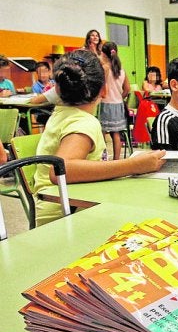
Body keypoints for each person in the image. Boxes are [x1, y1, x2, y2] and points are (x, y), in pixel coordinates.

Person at [34, 49, 166, 226]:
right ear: (104, 90)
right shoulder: (84, 123)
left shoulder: (60, 113)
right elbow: (60, 170)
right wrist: (132, 166)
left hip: (60, 208)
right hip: (66, 218)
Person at [99, 42, 130, 160]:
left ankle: (103, 157)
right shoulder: (121, 69)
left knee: (102, 132)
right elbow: (127, 89)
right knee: (116, 134)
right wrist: (119, 97)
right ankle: (116, 160)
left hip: (106, 104)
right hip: (118, 105)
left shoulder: (105, 68)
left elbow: (101, 86)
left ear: (103, 54)